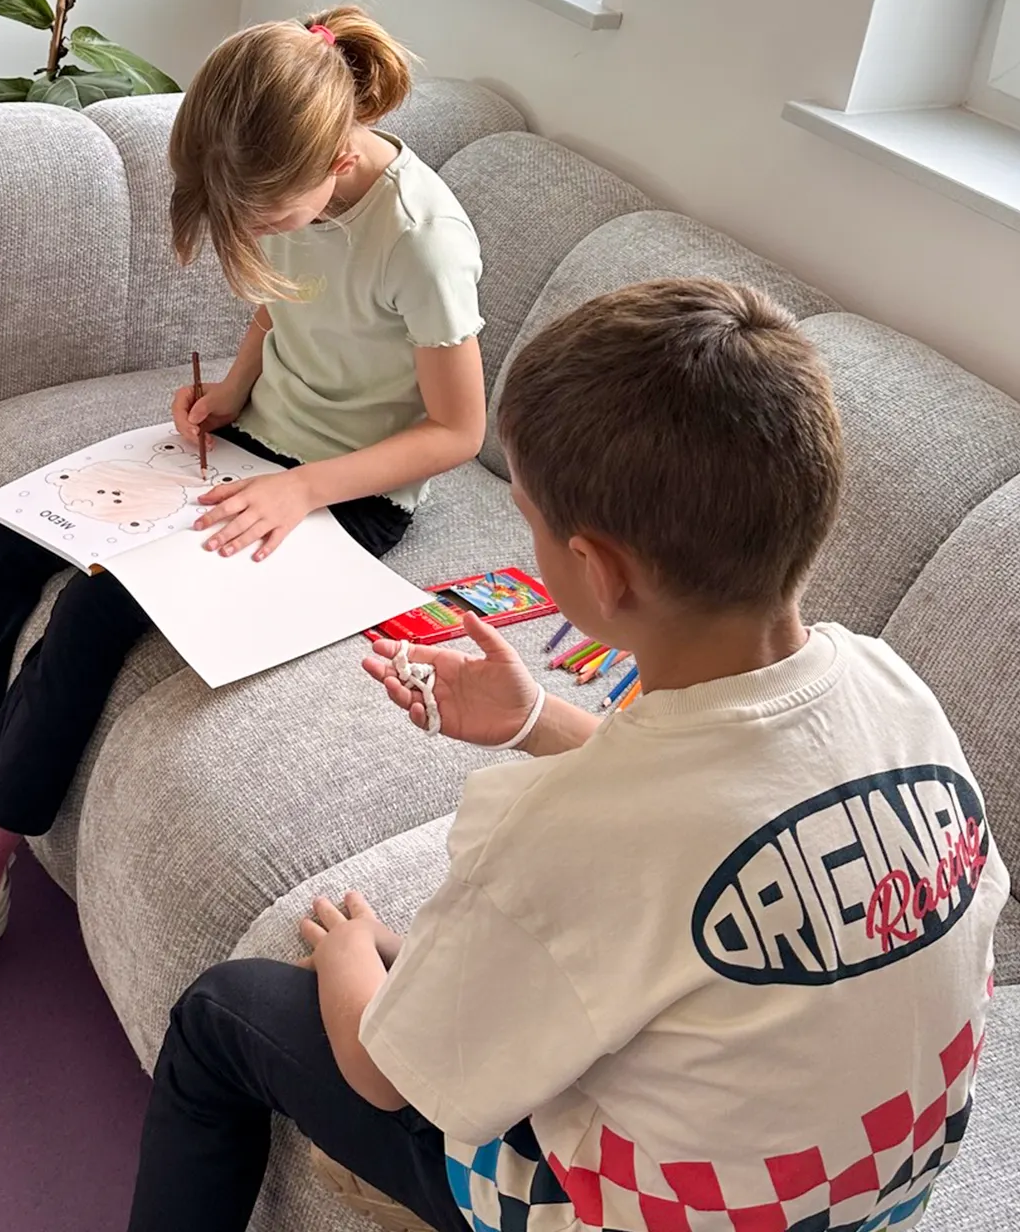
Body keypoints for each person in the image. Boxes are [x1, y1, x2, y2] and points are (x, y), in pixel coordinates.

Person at [127, 278, 1008, 1232]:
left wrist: (349, 961)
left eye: (533, 522)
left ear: (597, 570)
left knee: (224, 1012)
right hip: (881, 1189)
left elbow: (385, 1075)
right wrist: (536, 719)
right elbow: (729, 813)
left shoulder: (558, 832)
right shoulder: (895, 690)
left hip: (640, 1214)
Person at [0, 5, 490, 1015]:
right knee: (10, 532)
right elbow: (280, 307)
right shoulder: (292, 187)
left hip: (348, 495)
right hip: (249, 450)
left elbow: (457, 431)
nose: (259, 237)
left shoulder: (423, 239)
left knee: (98, 609)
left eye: (270, 220)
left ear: (337, 158)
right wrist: (233, 392)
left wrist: (299, 486)